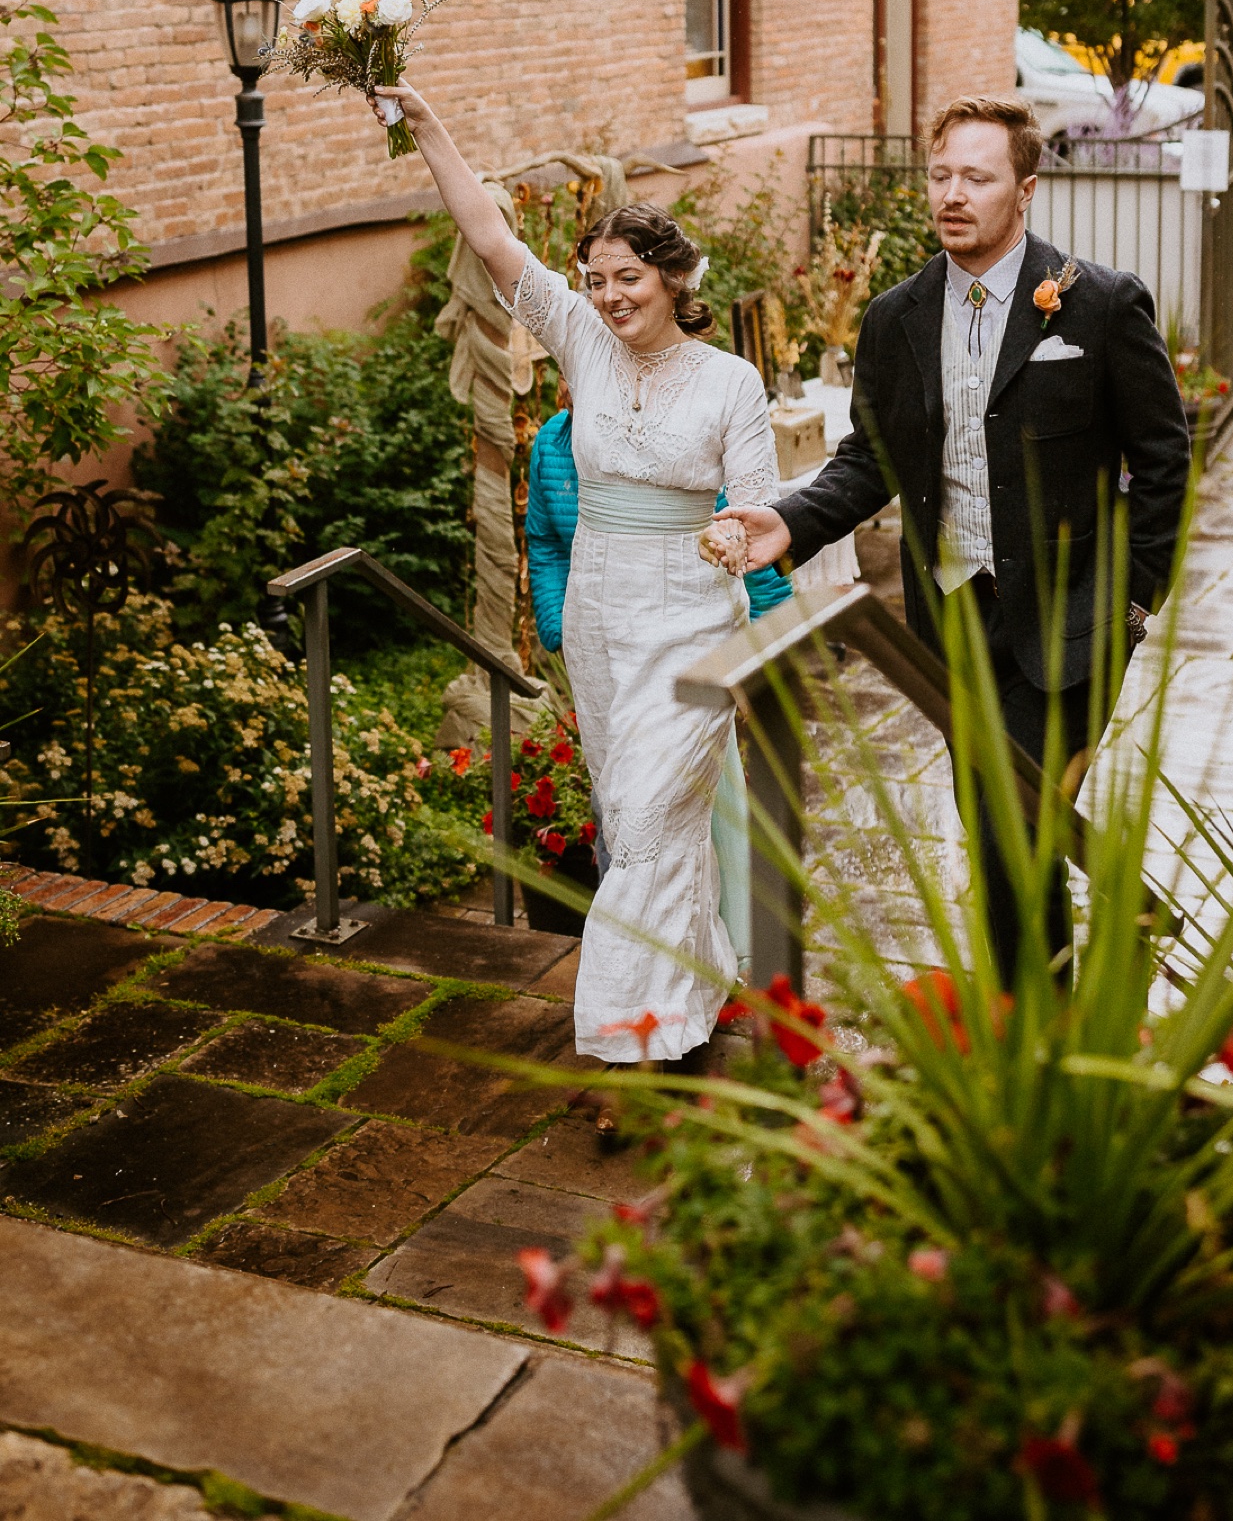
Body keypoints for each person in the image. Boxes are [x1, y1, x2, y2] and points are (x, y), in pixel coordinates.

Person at [726, 93, 1191, 971]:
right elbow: (873, 459)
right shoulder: (896, 319)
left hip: (1073, 621)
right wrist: (789, 521)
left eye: (977, 177)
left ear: (1026, 190)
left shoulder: (1099, 307)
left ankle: (1031, 1014)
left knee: (1017, 818)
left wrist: (1135, 602)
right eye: (941, 175)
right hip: (951, 624)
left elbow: (1163, 461)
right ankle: (1036, 1012)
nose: (953, 194)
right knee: (997, 825)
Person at [379, 83, 778, 1070]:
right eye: (596, 279)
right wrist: (430, 127)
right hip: (601, 626)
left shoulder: (732, 381)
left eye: (628, 277)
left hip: (693, 626)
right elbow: (487, 234)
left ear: (676, 277)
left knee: (644, 824)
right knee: (648, 826)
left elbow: (759, 512)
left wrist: (735, 544)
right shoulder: (583, 348)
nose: (609, 297)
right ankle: (682, 1012)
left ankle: (617, 1040)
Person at [524, 389, 792, 966]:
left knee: (695, 803)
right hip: (600, 658)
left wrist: (763, 654)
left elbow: (744, 549)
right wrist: (560, 629)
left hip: (679, 654)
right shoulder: (552, 444)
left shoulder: (673, 444)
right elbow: (545, 544)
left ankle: (728, 945)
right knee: (615, 802)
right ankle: (637, 954)